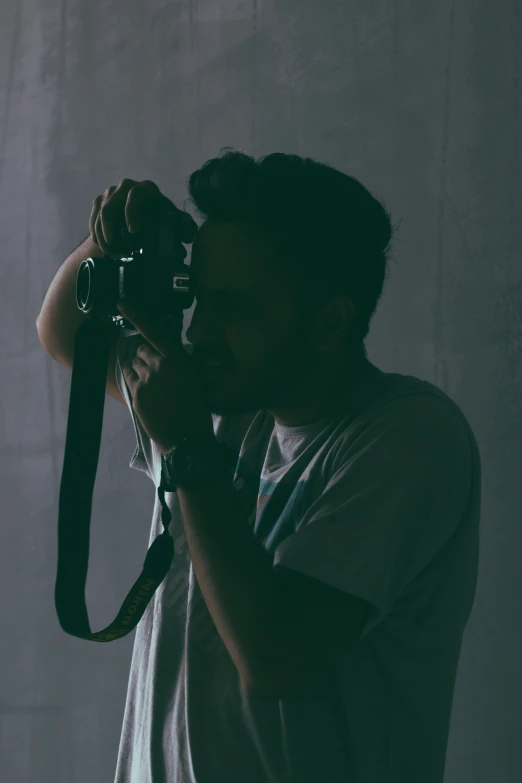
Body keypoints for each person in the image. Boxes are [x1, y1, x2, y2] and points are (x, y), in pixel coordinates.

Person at [36, 149, 481, 783]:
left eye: (235, 308)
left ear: (330, 321)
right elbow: (62, 333)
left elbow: (273, 659)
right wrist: (104, 244)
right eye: (199, 298)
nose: (200, 331)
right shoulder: (219, 394)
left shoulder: (409, 436)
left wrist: (188, 447)